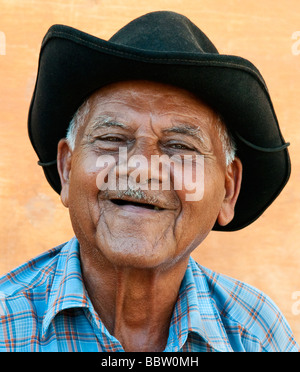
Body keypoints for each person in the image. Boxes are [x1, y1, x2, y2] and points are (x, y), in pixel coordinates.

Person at [0, 11, 298, 352]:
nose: (141, 168)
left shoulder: (255, 334)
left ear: (228, 191)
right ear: (67, 168)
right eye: (112, 138)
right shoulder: (6, 325)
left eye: (180, 146)